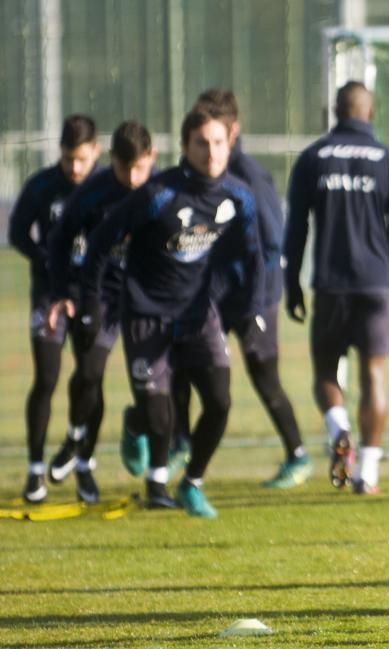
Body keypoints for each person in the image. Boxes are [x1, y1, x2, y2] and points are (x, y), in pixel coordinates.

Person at [80, 108, 264, 518]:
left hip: (199, 314)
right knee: (158, 415)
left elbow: (252, 256)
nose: (212, 152)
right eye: (202, 143)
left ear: (228, 144)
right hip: (146, 313)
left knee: (219, 401)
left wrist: (251, 310)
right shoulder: (156, 194)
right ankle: (147, 456)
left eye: (218, 142)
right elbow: (99, 244)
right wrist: (92, 305)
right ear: (185, 147)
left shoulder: (238, 195)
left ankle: (192, 482)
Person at [167, 88, 311, 489]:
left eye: (222, 133)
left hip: (253, 299)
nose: (214, 145)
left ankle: (298, 454)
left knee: (264, 376)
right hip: (213, 297)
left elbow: (271, 243)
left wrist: (259, 304)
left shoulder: (247, 174)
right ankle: (180, 443)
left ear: (234, 131)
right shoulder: (199, 173)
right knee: (182, 367)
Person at [284, 81, 389, 495]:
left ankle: (338, 427)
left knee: (325, 369)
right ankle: (368, 474)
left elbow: (296, 228)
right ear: (370, 114)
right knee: (374, 373)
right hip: (377, 285)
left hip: (331, 285)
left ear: (334, 112)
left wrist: (292, 283)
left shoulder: (312, 158)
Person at [44, 121, 157, 503]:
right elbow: (59, 242)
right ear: (112, 161)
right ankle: (81, 455)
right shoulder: (93, 194)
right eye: (126, 169)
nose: (133, 177)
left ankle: (160, 463)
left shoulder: (162, 188)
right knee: (90, 373)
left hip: (147, 296)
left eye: (140, 167)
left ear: (151, 159)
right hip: (100, 295)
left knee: (160, 386)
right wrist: (63, 293)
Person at [7, 115, 101, 503]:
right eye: (68, 160)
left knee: (91, 378)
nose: (75, 168)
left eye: (81, 159)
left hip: (92, 295)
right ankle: (34, 471)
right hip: (49, 297)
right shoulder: (43, 186)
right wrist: (44, 258)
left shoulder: (107, 187)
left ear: (95, 151)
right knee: (46, 379)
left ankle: (82, 462)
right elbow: (16, 232)